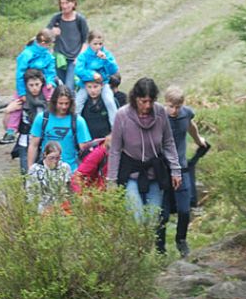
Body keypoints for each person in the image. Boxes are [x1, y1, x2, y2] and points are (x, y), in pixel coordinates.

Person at [108, 77, 181, 253]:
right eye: (143, 101)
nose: (147, 106)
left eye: (151, 101)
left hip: (155, 173)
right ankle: (133, 257)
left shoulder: (160, 113)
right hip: (131, 173)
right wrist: (111, 181)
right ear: (135, 99)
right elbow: (115, 150)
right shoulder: (122, 115)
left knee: (153, 220)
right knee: (137, 217)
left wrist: (176, 170)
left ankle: (144, 256)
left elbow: (168, 142)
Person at [162, 85, 208, 258]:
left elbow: (191, 126)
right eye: (171, 106)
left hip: (181, 168)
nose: (174, 110)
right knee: (163, 213)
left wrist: (198, 140)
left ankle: (181, 240)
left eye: (177, 107)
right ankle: (160, 248)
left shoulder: (186, 113)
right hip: (163, 170)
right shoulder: (159, 116)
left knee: (184, 209)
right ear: (165, 103)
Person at [0, 28, 56, 145]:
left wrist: (50, 81)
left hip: (42, 82)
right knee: (18, 104)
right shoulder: (27, 54)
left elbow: (51, 69)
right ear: (44, 43)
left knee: (52, 99)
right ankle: (11, 130)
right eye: (49, 44)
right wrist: (22, 93)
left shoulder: (47, 54)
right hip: (27, 83)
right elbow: (20, 75)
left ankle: (52, 126)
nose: (50, 47)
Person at [27, 85, 92, 172]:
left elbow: (84, 148)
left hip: (71, 171)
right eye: (60, 103)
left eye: (67, 103)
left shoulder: (78, 121)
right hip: (46, 170)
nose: (64, 107)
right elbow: (33, 145)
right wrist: (31, 169)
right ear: (54, 102)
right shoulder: (42, 118)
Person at [5, 68, 48, 174]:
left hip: (45, 139)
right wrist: (7, 112)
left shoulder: (48, 98)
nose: (34, 88)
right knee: (26, 173)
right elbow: (8, 125)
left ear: (42, 83)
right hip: (25, 140)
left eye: (37, 84)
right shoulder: (20, 98)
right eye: (31, 85)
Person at [74, 30, 119, 127]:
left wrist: (106, 60)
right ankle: (75, 127)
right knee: (77, 103)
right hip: (86, 85)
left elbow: (113, 70)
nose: (98, 46)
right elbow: (78, 70)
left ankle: (115, 128)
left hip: (103, 84)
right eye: (95, 44)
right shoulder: (84, 56)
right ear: (89, 43)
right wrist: (91, 74)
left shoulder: (106, 54)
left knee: (110, 101)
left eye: (100, 44)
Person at [47, 0, 88, 91]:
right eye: (62, 3)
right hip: (59, 58)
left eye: (67, 3)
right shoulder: (56, 18)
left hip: (73, 59)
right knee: (61, 88)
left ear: (73, 3)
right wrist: (52, 33)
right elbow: (44, 37)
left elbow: (86, 41)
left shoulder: (80, 19)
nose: (64, 6)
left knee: (69, 88)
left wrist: (79, 57)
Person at [25, 141, 72, 213]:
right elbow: (30, 191)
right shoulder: (35, 169)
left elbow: (69, 188)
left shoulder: (65, 167)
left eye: (57, 158)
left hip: (61, 207)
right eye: (51, 158)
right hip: (41, 208)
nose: (55, 161)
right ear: (45, 155)